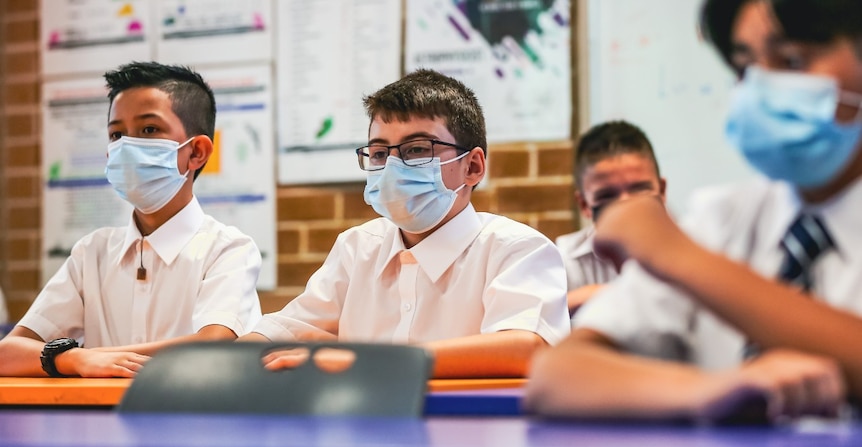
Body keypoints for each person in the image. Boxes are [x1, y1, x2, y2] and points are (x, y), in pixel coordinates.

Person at [525, 0, 862, 422]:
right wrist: (716, 388)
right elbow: (555, 378)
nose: (760, 89)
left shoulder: (684, 249)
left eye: (792, 60)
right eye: (745, 69)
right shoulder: (721, 219)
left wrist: (679, 257)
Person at [242, 69, 570, 378]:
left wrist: (362, 363)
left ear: (472, 166)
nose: (394, 168)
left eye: (416, 150)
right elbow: (285, 330)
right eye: (380, 154)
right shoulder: (357, 247)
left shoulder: (516, 249)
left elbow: (526, 348)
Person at [0, 62, 262, 378]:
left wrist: (84, 355)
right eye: (116, 134)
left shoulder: (228, 249)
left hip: (195, 423)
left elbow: (210, 347)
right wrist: (74, 360)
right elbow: (8, 354)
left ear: (196, 152)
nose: (126, 146)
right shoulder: (92, 253)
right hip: (97, 423)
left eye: (149, 130)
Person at [556, 120, 666, 315]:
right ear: (584, 205)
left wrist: (607, 296)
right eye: (607, 195)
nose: (625, 206)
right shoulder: (564, 260)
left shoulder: (700, 248)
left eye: (639, 190)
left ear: (662, 190)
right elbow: (538, 320)